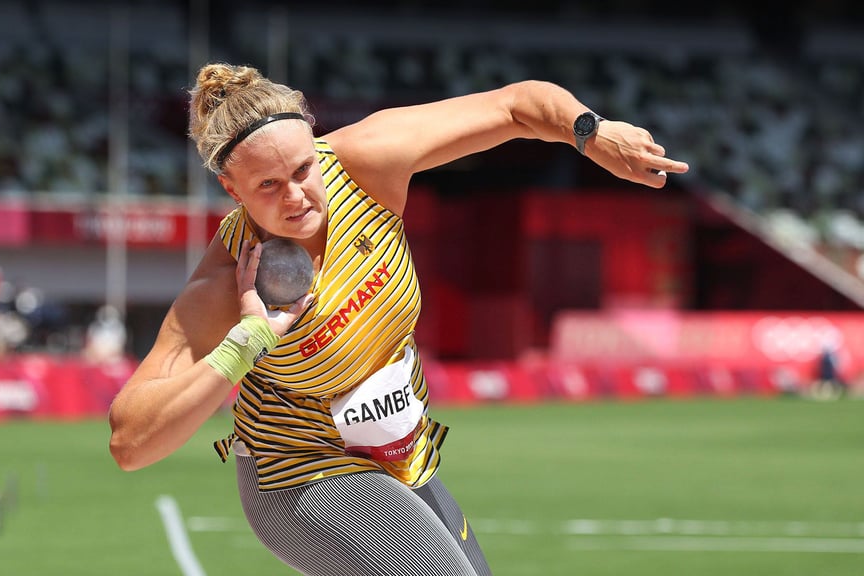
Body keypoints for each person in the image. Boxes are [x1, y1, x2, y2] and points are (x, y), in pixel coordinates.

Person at [108, 62, 689, 575]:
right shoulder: (225, 284)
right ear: (230, 189)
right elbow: (130, 441)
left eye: (304, 169)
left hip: (400, 452)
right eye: (268, 185)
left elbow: (514, 105)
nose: (298, 197)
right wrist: (246, 342)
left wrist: (592, 134)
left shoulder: (366, 163)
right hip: (301, 476)